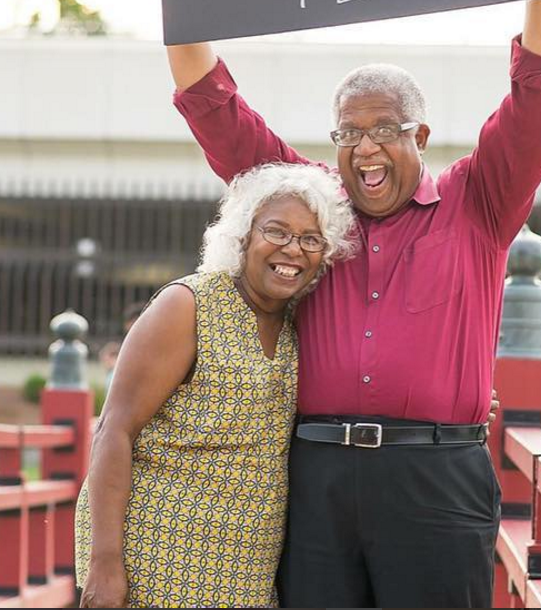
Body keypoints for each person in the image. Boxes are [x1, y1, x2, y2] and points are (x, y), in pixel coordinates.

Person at [135, 0, 541, 608]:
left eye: (383, 130)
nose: (363, 148)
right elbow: (216, 108)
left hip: (436, 481)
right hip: (316, 478)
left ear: (421, 134)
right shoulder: (306, 203)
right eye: (347, 132)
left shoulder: (481, 200)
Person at [75, 162, 356, 609]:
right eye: (277, 232)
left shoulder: (296, 321)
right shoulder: (188, 305)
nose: (293, 250)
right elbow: (114, 429)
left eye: (310, 239)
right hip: (159, 548)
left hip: (247, 562)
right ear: (243, 235)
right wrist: (105, 561)